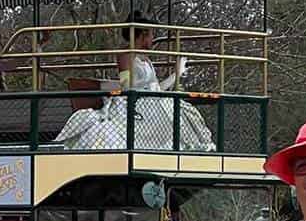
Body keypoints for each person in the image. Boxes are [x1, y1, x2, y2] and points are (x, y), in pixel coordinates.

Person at [53, 11, 215, 153]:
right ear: (143, 35)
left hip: (152, 102)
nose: (153, 39)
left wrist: (176, 74)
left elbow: (157, 88)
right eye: (151, 34)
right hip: (136, 104)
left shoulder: (146, 59)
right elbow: (126, 85)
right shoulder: (125, 56)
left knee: (179, 109)